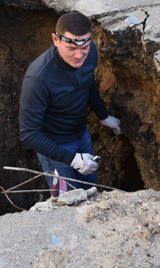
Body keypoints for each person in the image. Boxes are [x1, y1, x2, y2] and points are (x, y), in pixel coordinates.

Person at [18, 11, 121, 193]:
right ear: (56, 40)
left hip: (81, 136)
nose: (79, 56)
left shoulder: (90, 54)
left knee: (92, 191)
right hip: (55, 149)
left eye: (84, 48)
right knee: (69, 203)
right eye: (71, 49)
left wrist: (103, 116)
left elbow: (88, 84)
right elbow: (29, 134)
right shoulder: (39, 78)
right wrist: (72, 159)